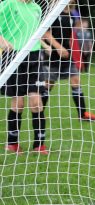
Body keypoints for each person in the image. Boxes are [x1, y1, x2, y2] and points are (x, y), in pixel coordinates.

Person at [0, 0, 48, 154]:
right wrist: (3, 42)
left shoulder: (36, 7)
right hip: (13, 56)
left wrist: (45, 46)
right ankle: (12, 144)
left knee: (36, 102)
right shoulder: (9, 4)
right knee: (18, 102)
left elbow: (33, 32)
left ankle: (39, 145)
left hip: (34, 57)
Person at [41, 3, 95, 122]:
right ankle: (39, 113)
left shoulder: (72, 15)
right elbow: (46, 33)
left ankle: (82, 114)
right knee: (48, 84)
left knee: (76, 80)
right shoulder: (54, 13)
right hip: (52, 54)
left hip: (67, 54)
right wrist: (58, 47)